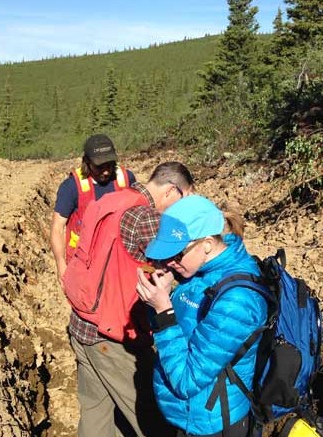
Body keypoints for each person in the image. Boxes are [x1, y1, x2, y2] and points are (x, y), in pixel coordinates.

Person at [67, 161, 194, 437]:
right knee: (151, 418)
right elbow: (182, 265)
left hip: (81, 323)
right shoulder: (145, 217)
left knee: (95, 413)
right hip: (112, 337)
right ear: (172, 191)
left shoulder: (113, 198)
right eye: (184, 201)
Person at [135, 195, 268, 437]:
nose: (169, 262)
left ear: (206, 243)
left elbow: (187, 380)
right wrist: (161, 298)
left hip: (213, 421)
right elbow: (179, 328)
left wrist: (163, 312)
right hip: (189, 415)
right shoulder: (198, 271)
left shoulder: (237, 301)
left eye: (177, 254)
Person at [50, 134, 136, 286]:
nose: (105, 172)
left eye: (109, 165)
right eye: (99, 167)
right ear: (87, 162)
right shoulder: (71, 187)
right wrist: (60, 264)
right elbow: (57, 227)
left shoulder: (127, 179)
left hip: (120, 260)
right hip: (85, 263)